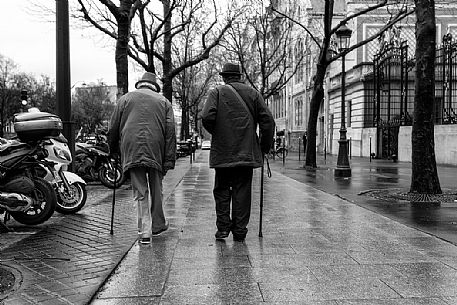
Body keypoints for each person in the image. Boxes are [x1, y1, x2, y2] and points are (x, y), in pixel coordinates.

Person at [202, 62, 275, 242]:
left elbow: (206, 117)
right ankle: (240, 231)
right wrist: (264, 146)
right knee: (242, 191)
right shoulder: (253, 94)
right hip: (246, 152)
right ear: (239, 76)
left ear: (224, 77)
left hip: (223, 152)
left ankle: (223, 229)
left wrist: (218, 133)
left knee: (222, 190)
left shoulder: (217, 93)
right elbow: (268, 122)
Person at [108, 72, 176, 245]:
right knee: (156, 188)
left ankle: (144, 231)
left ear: (140, 84)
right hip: (156, 148)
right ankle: (158, 225)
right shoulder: (164, 102)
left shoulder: (124, 99)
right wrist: (168, 159)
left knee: (140, 190)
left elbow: (113, 128)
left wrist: (114, 150)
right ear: (154, 87)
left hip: (132, 147)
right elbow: (170, 133)